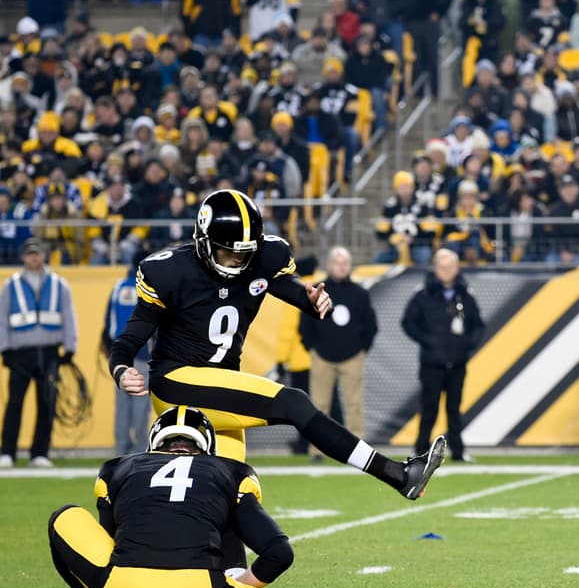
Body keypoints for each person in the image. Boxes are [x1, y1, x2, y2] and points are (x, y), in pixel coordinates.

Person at [107, 190, 445, 515]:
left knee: (230, 491)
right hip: (176, 382)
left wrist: (313, 303)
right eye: (228, 252)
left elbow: (289, 288)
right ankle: (397, 475)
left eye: (244, 253)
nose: (237, 260)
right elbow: (132, 334)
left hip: (221, 386)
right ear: (204, 242)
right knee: (293, 403)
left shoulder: (263, 258)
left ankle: (223, 570)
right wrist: (121, 369)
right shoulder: (168, 270)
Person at [48, 406, 314, 588]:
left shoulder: (117, 468)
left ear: (153, 444)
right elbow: (279, 553)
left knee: (62, 518)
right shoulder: (231, 471)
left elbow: (108, 541)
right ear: (206, 446)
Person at [401, 249, 485, 463]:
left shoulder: (466, 294)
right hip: (432, 363)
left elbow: (478, 325)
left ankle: (457, 450)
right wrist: (427, 341)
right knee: (429, 409)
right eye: (442, 266)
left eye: (450, 266)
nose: (446, 271)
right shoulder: (423, 294)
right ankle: (420, 451)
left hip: (457, 362)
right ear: (435, 268)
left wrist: (467, 345)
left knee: (454, 409)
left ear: (457, 268)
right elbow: (408, 322)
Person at [0, 239, 77, 468]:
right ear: (23, 257)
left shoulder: (59, 284)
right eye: (30, 254)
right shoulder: (11, 284)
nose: (34, 258)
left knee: (47, 404)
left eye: (38, 254)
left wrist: (70, 347)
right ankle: (7, 452)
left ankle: (40, 453)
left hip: (49, 351)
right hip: (20, 353)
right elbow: (2, 318)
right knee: (14, 403)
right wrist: (4, 349)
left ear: (44, 256)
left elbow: (68, 316)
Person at [299, 247, 377, 438]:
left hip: (352, 357)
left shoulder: (360, 293)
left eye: (345, 263)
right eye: (337, 263)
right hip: (322, 357)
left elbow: (371, 325)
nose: (341, 267)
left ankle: (359, 448)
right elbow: (305, 324)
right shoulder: (318, 292)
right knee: (319, 405)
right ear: (329, 265)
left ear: (350, 266)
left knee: (354, 404)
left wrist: (361, 350)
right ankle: (318, 448)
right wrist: (312, 348)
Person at [103, 262, 152, 457]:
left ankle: (120, 449)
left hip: (120, 357)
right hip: (143, 354)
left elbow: (108, 322)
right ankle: (140, 449)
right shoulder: (149, 287)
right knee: (141, 405)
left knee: (122, 406)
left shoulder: (118, 287)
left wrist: (112, 353)